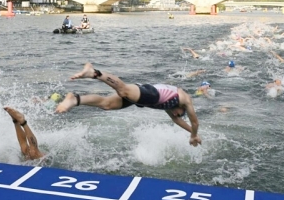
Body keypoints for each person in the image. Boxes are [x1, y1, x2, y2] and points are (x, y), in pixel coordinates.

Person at [56, 63, 201, 147]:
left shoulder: (171, 108)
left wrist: (193, 134)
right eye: (180, 113)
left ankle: (75, 99)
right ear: (182, 108)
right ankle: (94, 73)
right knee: (123, 90)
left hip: (144, 98)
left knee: (107, 104)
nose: (176, 115)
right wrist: (194, 134)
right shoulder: (184, 99)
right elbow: (195, 122)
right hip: (150, 93)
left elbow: (177, 121)